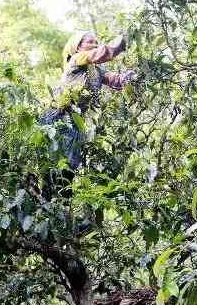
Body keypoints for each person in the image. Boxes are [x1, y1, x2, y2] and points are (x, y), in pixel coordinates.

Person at [39, 32, 136, 201]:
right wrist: (122, 41)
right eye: (90, 41)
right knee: (52, 164)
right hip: (56, 117)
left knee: (69, 167)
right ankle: (45, 204)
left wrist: (134, 75)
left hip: (75, 122)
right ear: (77, 47)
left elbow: (117, 81)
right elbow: (100, 54)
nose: (94, 44)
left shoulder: (96, 71)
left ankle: (61, 210)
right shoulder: (76, 60)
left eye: (96, 41)